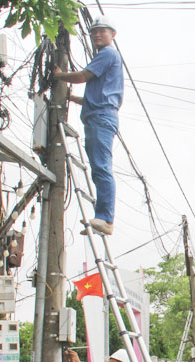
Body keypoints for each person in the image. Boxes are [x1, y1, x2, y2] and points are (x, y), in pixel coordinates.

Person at [53, 15, 123, 236]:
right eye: (94, 31)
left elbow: (83, 76)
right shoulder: (104, 59)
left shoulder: (108, 54)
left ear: (113, 35)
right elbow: (95, 94)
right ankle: (103, 219)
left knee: (101, 167)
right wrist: (73, 99)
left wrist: (59, 76)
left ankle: (105, 219)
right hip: (97, 115)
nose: (97, 34)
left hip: (101, 117)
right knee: (97, 168)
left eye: (102, 31)